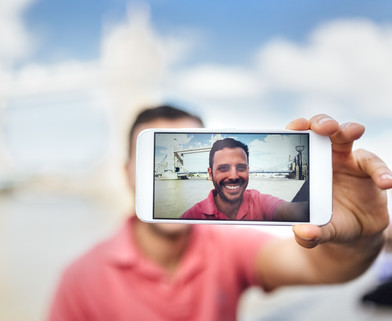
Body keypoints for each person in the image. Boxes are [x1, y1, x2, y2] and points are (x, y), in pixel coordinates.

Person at [48, 105, 392, 321]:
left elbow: (323, 267)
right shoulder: (80, 278)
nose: (231, 175)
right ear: (126, 173)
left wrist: (358, 236)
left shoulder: (232, 244)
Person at [180, 137, 308, 221]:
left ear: (248, 170)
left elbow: (286, 210)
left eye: (241, 167)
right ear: (210, 173)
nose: (234, 176)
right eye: (223, 168)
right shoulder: (190, 217)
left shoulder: (259, 201)